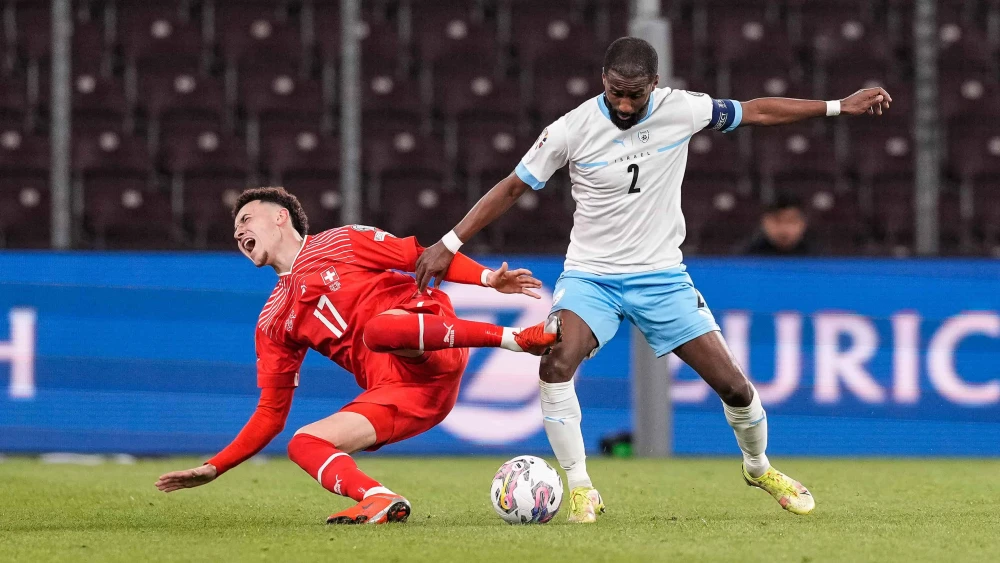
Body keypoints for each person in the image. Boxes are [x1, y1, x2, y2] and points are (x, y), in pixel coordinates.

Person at [416, 37, 892, 522]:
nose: (624, 104)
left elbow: (758, 111)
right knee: (556, 362)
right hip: (591, 277)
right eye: (617, 92)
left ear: (655, 86)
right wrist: (449, 243)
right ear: (603, 80)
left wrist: (838, 106)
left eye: (635, 95)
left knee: (735, 389)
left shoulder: (681, 109)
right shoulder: (569, 130)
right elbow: (514, 186)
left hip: (661, 277)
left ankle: (759, 467)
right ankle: (581, 486)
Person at [155, 187, 560, 525]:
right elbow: (271, 413)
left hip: (427, 342)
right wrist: (215, 466)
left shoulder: (341, 242)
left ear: (281, 217)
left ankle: (517, 338)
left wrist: (489, 279)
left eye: (245, 219)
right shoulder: (273, 321)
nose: (238, 231)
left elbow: (422, 256)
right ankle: (379, 498)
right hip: (409, 397)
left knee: (378, 329)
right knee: (305, 443)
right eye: (235, 227)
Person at [740, 192, 814, 255]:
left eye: (791, 221)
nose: (784, 228)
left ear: (802, 223)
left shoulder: (819, 257)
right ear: (765, 222)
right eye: (777, 221)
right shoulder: (744, 258)